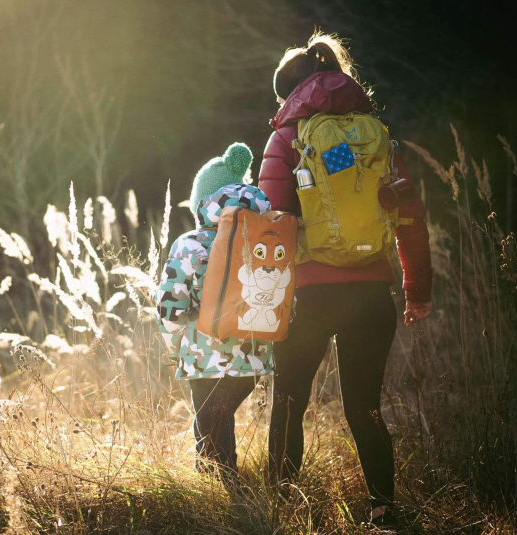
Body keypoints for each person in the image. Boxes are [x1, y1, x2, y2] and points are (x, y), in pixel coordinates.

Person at [257, 31, 433, 528]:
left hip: (311, 297)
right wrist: (417, 292)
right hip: (372, 294)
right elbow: (410, 219)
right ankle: (383, 508)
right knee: (364, 406)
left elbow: (272, 222)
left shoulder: (287, 139)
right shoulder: (376, 136)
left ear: (290, 95)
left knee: (290, 398)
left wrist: (262, 300)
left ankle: (282, 507)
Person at [156, 142, 274, 486]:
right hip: (253, 357)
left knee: (210, 426)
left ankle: (224, 498)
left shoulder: (189, 244)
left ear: (202, 203)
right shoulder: (265, 238)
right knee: (219, 420)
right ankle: (225, 489)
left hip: (203, 358)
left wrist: (173, 350)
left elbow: (170, 307)